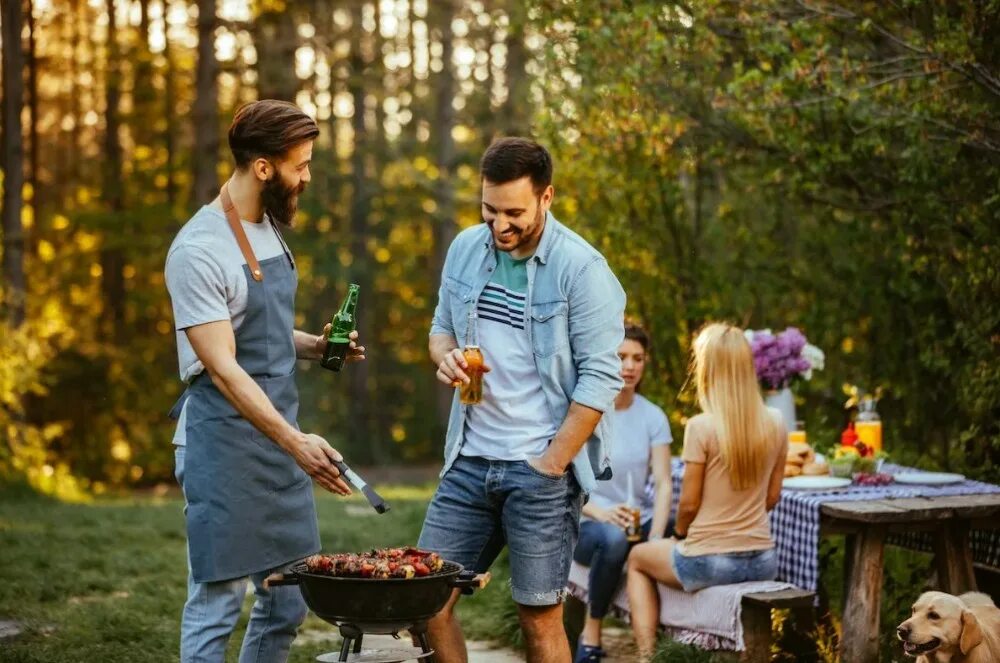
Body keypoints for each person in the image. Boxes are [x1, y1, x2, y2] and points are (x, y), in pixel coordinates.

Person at [164, 99, 364, 663]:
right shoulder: (200, 250)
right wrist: (297, 443)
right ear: (263, 167)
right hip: (223, 446)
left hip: (279, 443)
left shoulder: (267, 227)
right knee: (218, 600)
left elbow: (260, 331)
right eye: (300, 164)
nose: (308, 176)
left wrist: (318, 347)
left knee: (287, 601)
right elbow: (224, 368)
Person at [419, 137, 626, 663]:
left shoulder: (582, 270)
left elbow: (602, 379)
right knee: (424, 598)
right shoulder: (466, 247)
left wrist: (550, 465)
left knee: (538, 619)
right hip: (469, 459)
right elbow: (441, 327)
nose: (499, 225)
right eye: (489, 210)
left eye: (514, 212)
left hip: (540, 471)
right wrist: (442, 354)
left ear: (546, 197)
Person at [626, 323, 786, 661]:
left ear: (707, 368)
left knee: (637, 559)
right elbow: (772, 498)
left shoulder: (701, 427)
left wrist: (680, 535)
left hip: (709, 562)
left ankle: (646, 656)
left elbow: (689, 503)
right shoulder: (776, 421)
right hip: (763, 561)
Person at [571, 321, 673, 663]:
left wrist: (657, 534)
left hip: (637, 521)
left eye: (638, 358)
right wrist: (599, 512)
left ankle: (657, 647)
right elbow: (565, 477)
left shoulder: (654, 416)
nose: (630, 366)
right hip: (589, 524)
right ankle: (592, 632)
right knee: (612, 539)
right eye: (622, 357)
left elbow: (663, 482)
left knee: (676, 532)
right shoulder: (586, 410)